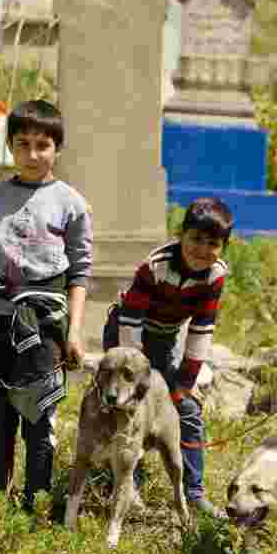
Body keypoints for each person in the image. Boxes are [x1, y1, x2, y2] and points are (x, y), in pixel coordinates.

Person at [0, 99, 93, 511]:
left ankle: (36, 505)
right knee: (0, 420)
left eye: (43, 145)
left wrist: (73, 331)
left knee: (41, 420)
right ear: (10, 146)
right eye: (23, 144)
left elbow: (79, 273)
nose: (33, 155)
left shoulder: (72, 203)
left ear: (57, 148)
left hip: (46, 325)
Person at [102, 197, 234, 517]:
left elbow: (201, 329)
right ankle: (122, 484)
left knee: (185, 407)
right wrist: (136, 376)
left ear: (223, 247)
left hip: (163, 339)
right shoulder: (156, 265)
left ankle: (194, 492)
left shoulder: (214, 276)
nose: (202, 249)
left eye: (213, 243)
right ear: (181, 235)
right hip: (127, 336)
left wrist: (184, 383)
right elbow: (131, 321)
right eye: (196, 239)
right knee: (124, 406)